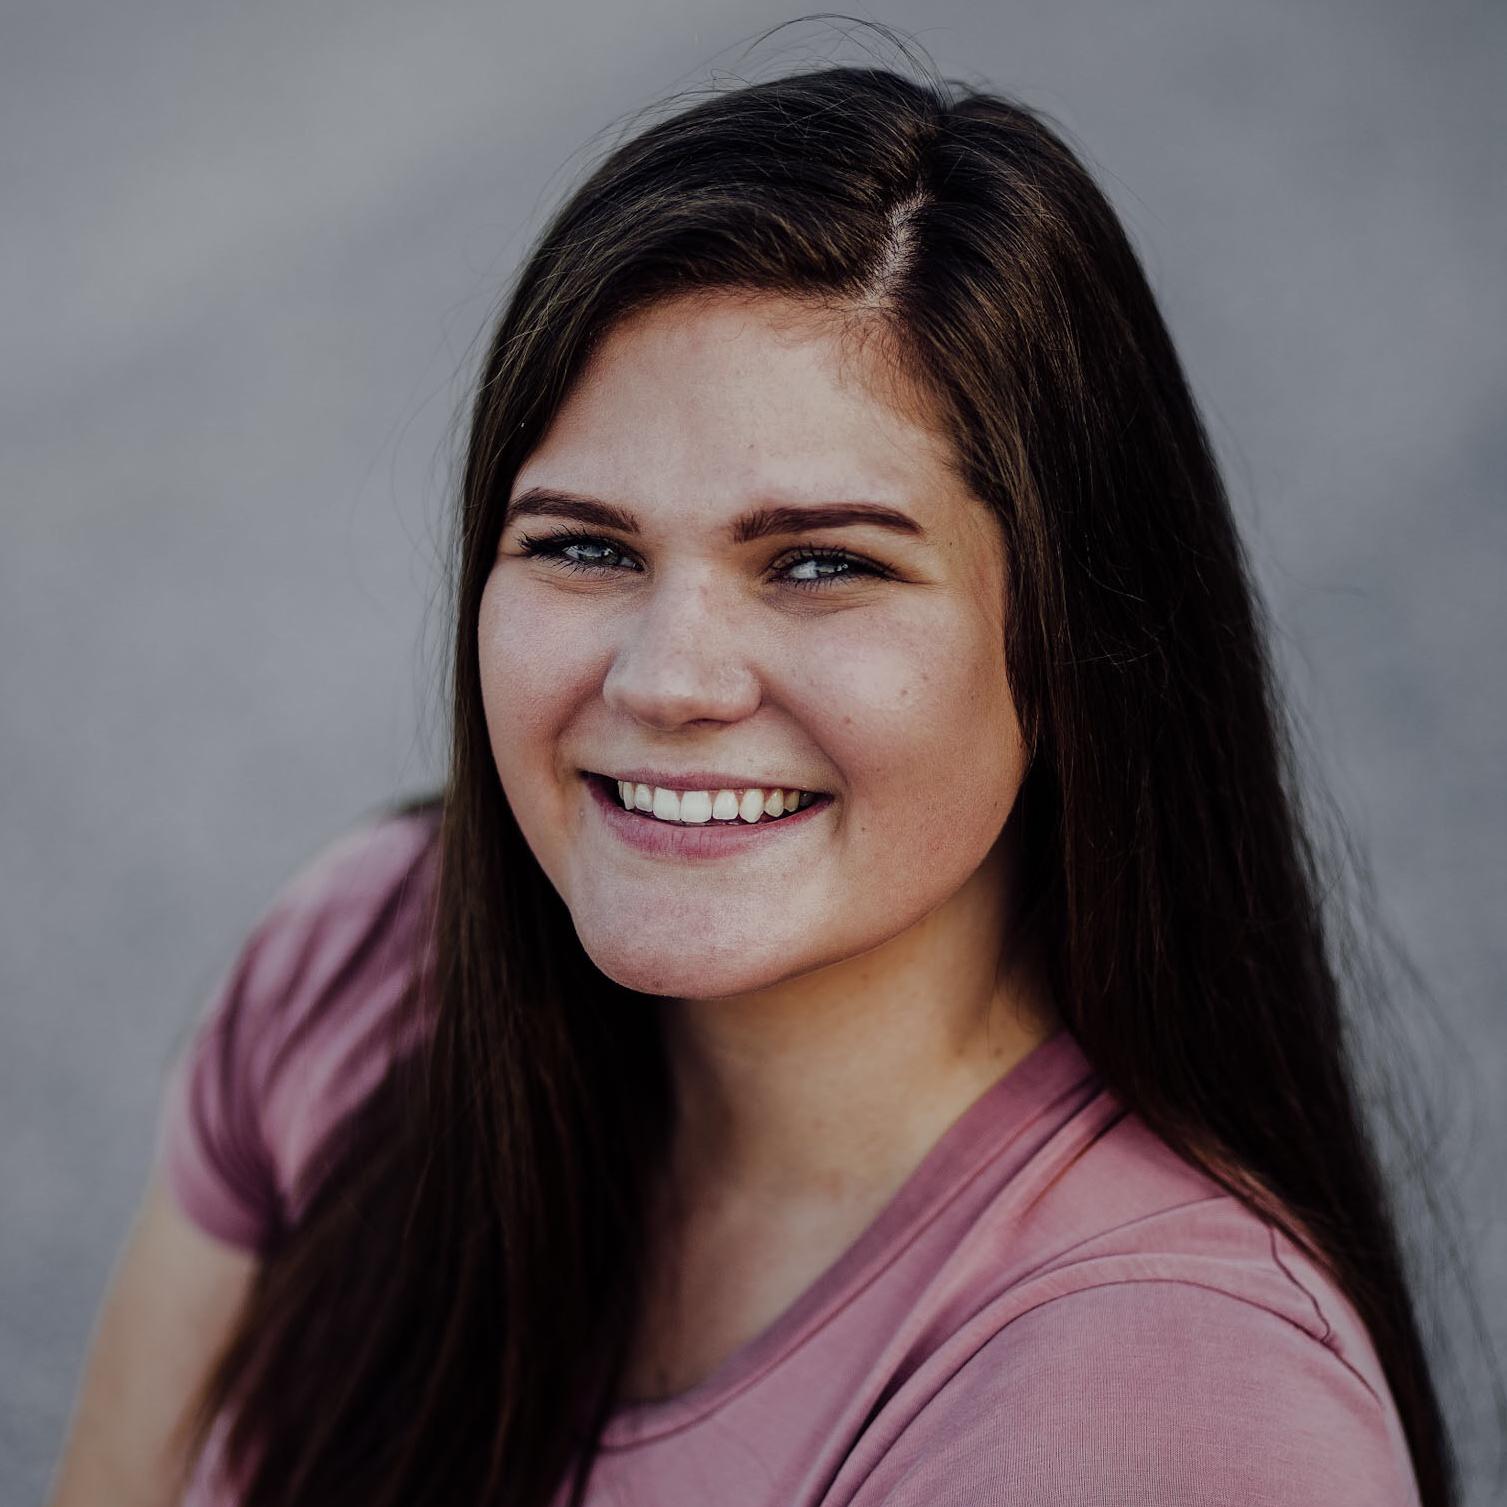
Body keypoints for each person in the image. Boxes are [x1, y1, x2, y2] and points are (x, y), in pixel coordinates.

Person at [49, 56, 1453, 1507]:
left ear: (1071, 639)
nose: (668, 679)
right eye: (584, 546)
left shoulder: (1172, 1420)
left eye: (822, 563)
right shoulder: (366, 965)